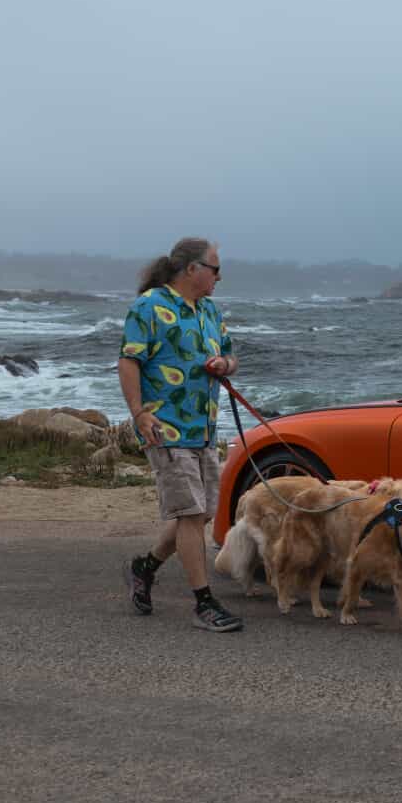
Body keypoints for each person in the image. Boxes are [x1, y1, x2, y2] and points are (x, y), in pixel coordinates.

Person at [118, 237, 243, 631]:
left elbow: (232, 355)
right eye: (215, 268)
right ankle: (204, 603)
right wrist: (139, 414)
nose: (219, 277)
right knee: (190, 514)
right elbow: (129, 361)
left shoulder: (208, 310)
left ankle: (145, 566)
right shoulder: (149, 306)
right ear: (192, 269)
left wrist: (225, 363)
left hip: (204, 427)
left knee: (200, 513)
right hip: (165, 427)